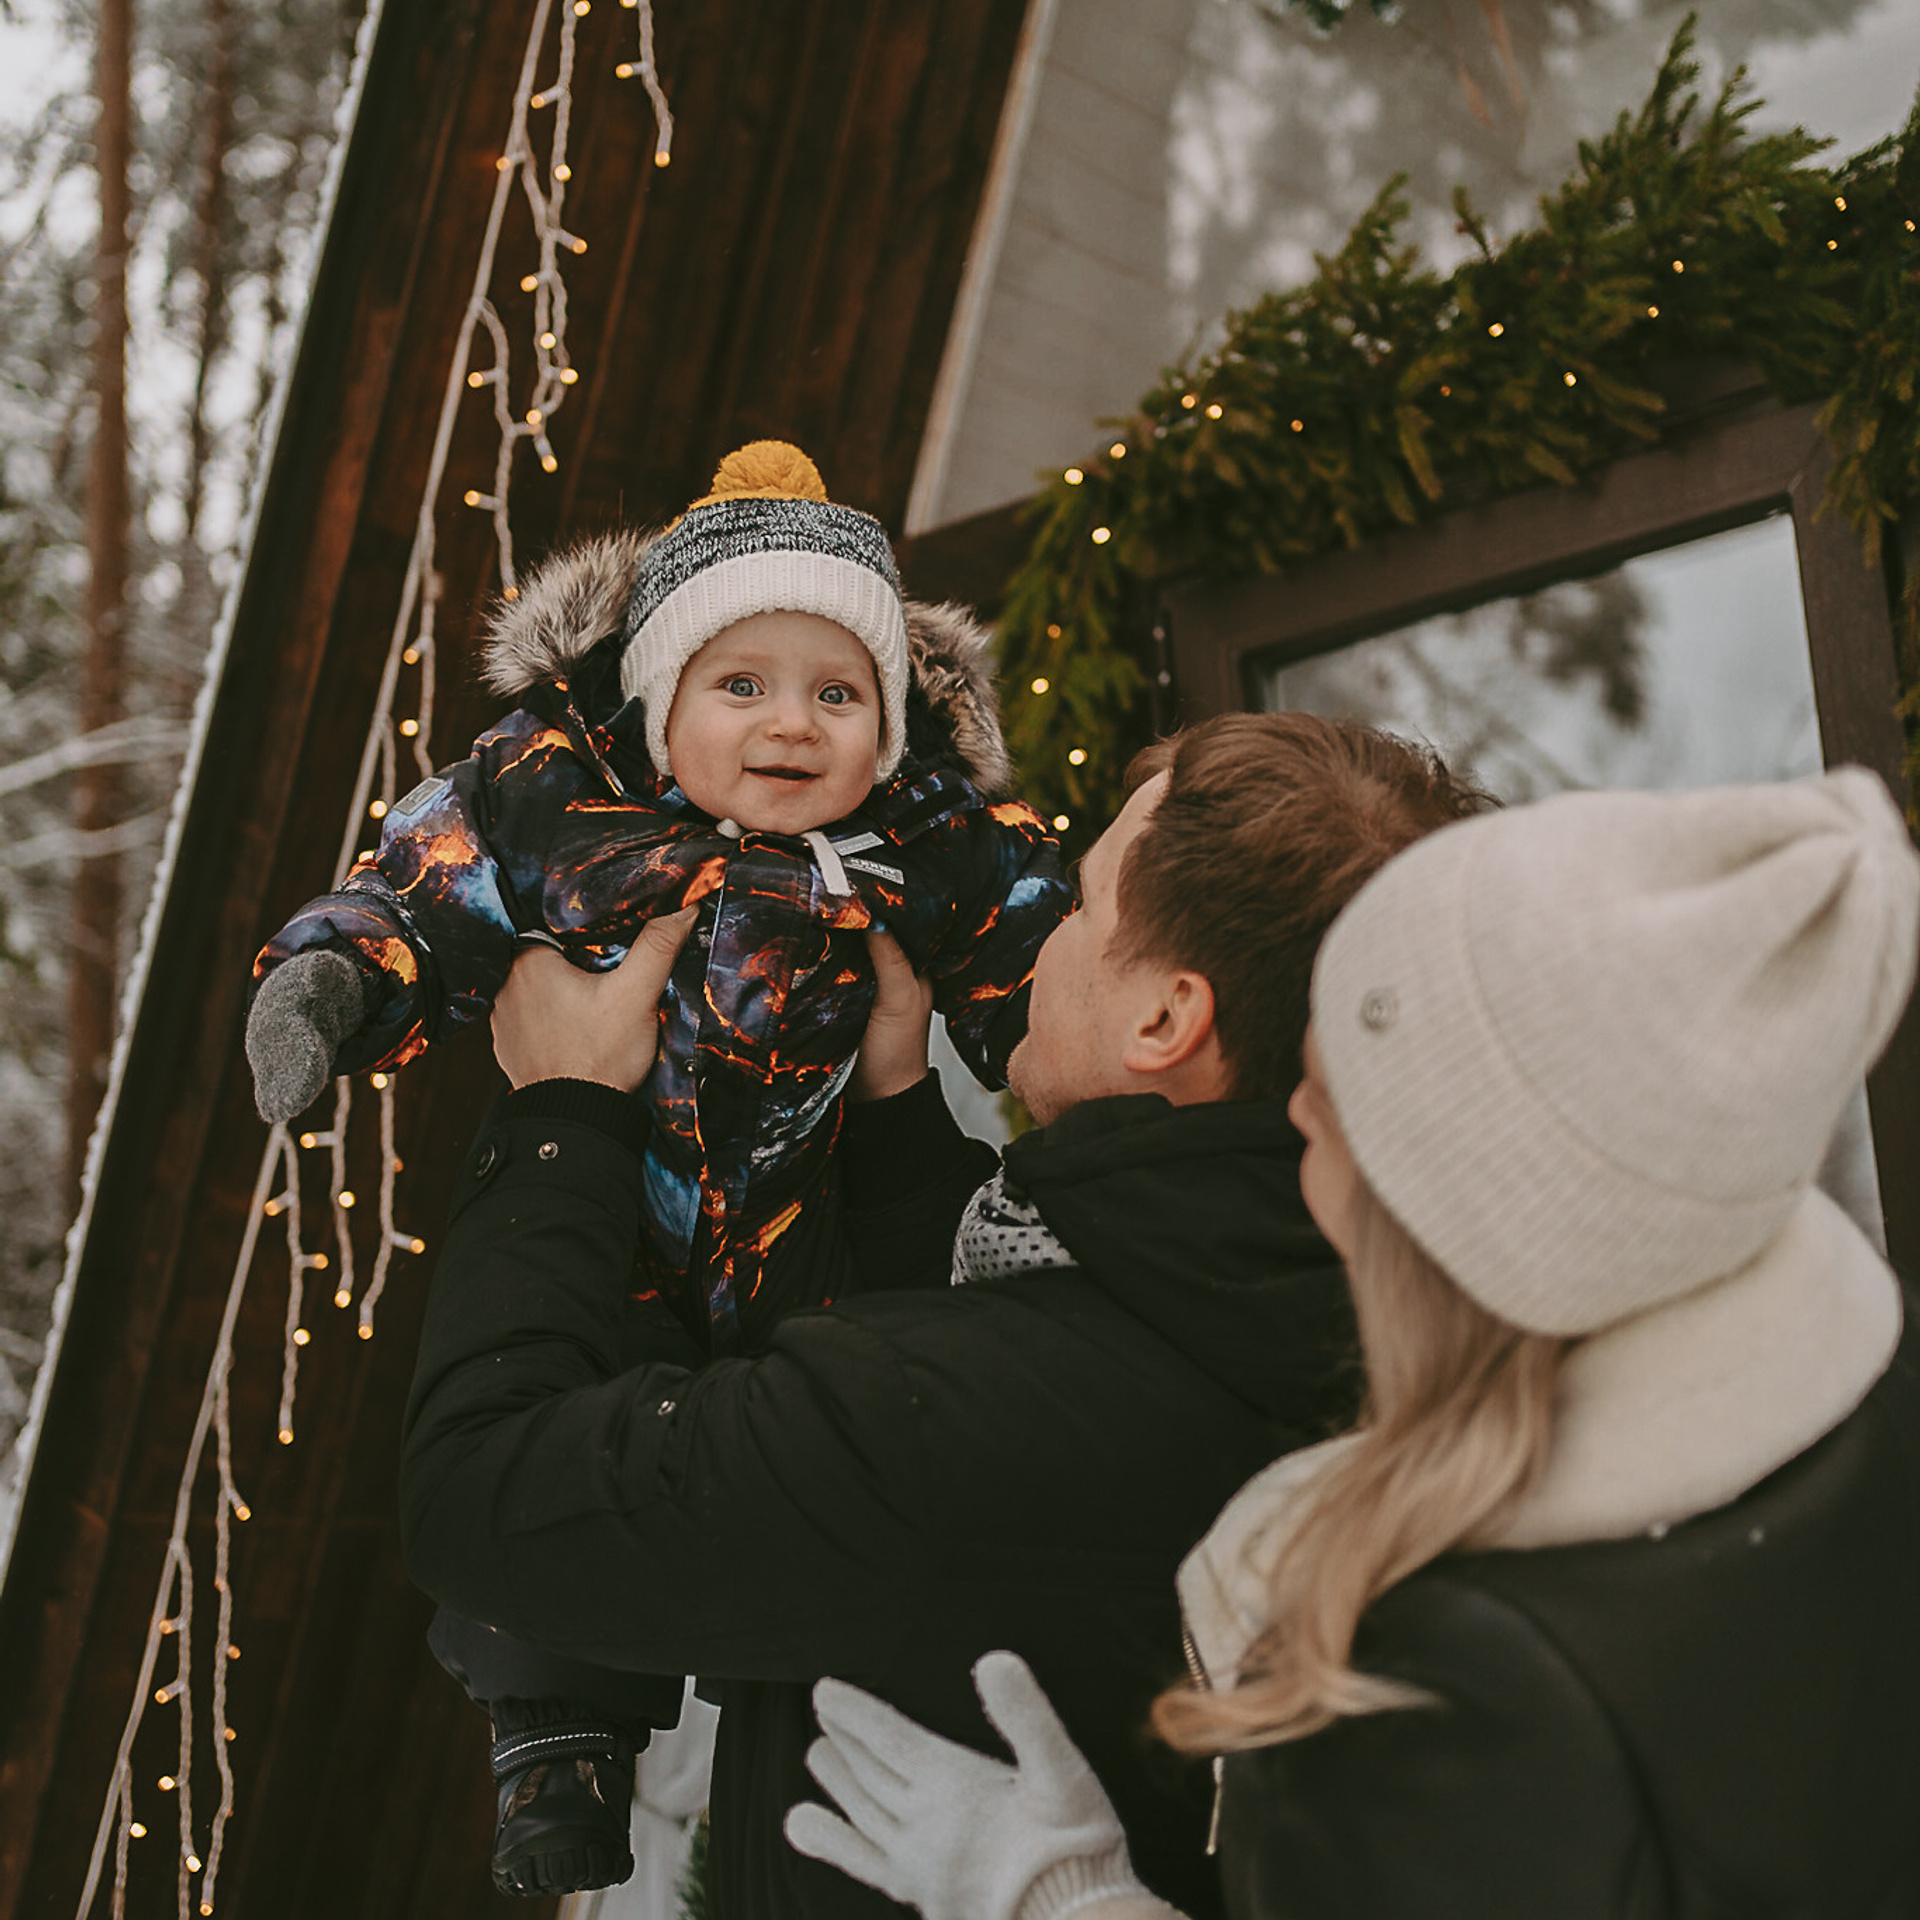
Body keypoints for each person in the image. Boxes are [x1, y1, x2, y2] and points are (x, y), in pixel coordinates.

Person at [397, 713, 1495, 1920]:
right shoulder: (1352, 1343)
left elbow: (487, 1495)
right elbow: (1053, 1399)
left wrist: (562, 1113)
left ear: (1164, 1022)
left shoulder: (942, 1438)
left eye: (1079, 911)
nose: (1049, 942)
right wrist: (899, 1127)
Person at [786, 769, 1920, 1920]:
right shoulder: (1863, 1401)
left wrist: (1060, 1900)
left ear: (1458, 1203)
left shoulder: (1439, 1684)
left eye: (1340, 1090)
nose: (1294, 1110)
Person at [248, 440, 1074, 1894]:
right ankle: (556, 1748)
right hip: (616, 1225)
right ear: (660, 695)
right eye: (740, 684)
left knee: (822, 1441)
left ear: (890, 723)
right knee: (566, 1432)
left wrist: (1064, 1051)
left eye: (838, 692)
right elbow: (422, 888)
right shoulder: (555, 791)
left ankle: (824, 1716)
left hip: (803, 1238)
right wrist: (330, 980)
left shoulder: (922, 835)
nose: (791, 726)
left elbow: (1027, 939)